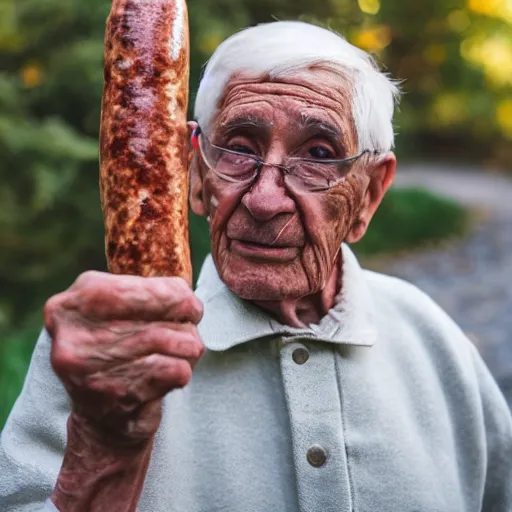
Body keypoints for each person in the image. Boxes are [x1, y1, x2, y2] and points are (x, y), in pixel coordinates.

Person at [1, 21, 511, 512]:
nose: (266, 200)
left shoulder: (432, 340)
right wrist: (100, 446)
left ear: (369, 195)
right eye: (239, 149)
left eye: (317, 154)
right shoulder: (103, 351)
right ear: (195, 175)